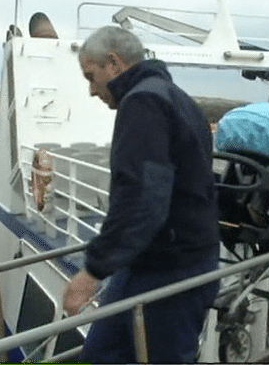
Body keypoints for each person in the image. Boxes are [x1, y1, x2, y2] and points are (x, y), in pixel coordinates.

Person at [62, 26, 220, 363]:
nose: (91, 90)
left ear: (114, 63)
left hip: (170, 266)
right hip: (171, 258)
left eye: (91, 76)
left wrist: (91, 271)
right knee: (107, 352)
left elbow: (143, 199)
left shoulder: (143, 103)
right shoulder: (173, 95)